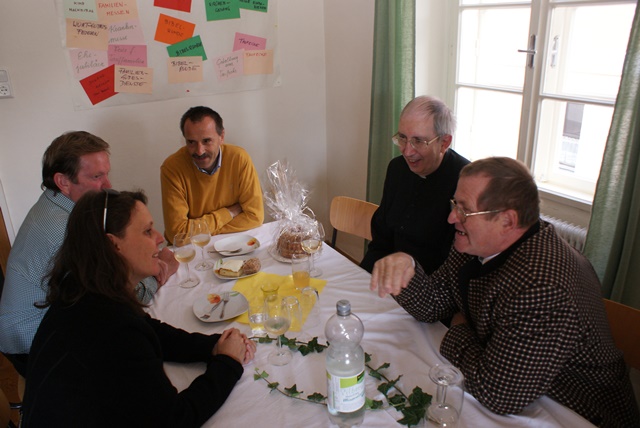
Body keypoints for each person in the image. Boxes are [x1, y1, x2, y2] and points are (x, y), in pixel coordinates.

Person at [370, 157, 640, 427]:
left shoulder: (543, 286)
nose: (452, 217)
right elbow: (434, 305)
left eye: (464, 210)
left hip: (575, 412)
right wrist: (407, 269)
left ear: (508, 221)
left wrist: (458, 329)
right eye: (455, 204)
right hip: (521, 388)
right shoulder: (476, 243)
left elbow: (498, 393)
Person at [22, 189, 256, 427]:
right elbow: (175, 419)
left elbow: (147, 328)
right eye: (147, 231)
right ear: (113, 245)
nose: (160, 238)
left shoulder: (83, 291)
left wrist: (213, 346)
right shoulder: (111, 329)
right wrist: (227, 362)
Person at [0, 131, 178, 377]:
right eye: (97, 176)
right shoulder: (65, 229)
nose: (108, 185)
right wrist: (157, 273)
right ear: (63, 181)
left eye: (106, 173)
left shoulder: (54, 203)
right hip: (31, 345)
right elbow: (117, 295)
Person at [360, 96, 469, 274]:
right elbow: (381, 239)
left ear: (444, 143)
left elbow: (454, 265)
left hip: (431, 284)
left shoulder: (465, 182)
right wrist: (363, 277)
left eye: (418, 141)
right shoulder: (397, 168)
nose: (407, 151)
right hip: (387, 275)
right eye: (402, 138)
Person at [161, 106, 264, 243]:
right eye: (191, 142)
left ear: (221, 137)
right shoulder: (172, 168)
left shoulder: (239, 159)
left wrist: (202, 232)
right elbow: (177, 233)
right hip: (192, 249)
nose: (199, 151)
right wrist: (229, 213)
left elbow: (255, 217)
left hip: (232, 243)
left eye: (206, 141)